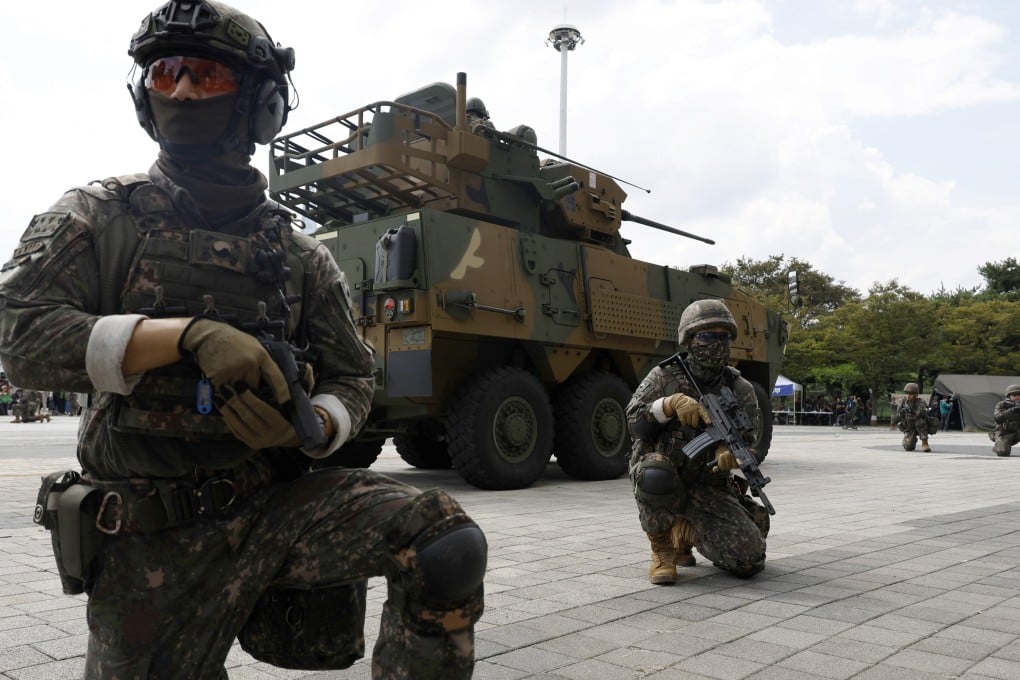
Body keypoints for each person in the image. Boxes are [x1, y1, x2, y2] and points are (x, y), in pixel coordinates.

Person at [0, 2, 486, 677]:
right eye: (164, 74)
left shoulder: (300, 255)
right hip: (150, 537)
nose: (181, 91)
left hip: (273, 510)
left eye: (205, 74)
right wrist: (185, 336)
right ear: (143, 98)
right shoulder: (98, 214)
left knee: (443, 541)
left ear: (259, 106)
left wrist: (312, 426)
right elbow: (15, 334)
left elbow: (356, 376)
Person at [626, 299, 770, 585]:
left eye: (723, 337)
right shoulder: (664, 377)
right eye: (706, 336)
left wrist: (731, 452)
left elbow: (750, 443)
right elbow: (633, 422)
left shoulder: (739, 388)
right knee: (654, 472)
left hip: (709, 485)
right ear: (689, 340)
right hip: (666, 476)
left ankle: (684, 531)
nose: (716, 344)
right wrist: (667, 405)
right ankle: (663, 550)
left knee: (750, 559)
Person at [891, 382, 932, 452]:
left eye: (911, 394)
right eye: (907, 393)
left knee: (920, 422)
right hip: (909, 426)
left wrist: (912, 412)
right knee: (908, 447)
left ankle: (924, 442)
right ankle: (912, 439)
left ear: (916, 394)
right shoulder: (903, 402)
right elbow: (895, 418)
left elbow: (921, 412)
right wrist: (901, 413)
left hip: (919, 425)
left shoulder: (921, 402)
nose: (908, 395)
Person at [989, 384, 1020, 457]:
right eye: (1014, 395)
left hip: (1018, 431)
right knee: (1003, 453)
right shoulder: (1002, 405)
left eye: (1019, 394)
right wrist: (1010, 411)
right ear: (1009, 396)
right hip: (1005, 432)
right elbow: (997, 419)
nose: (1017, 397)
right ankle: (998, 446)